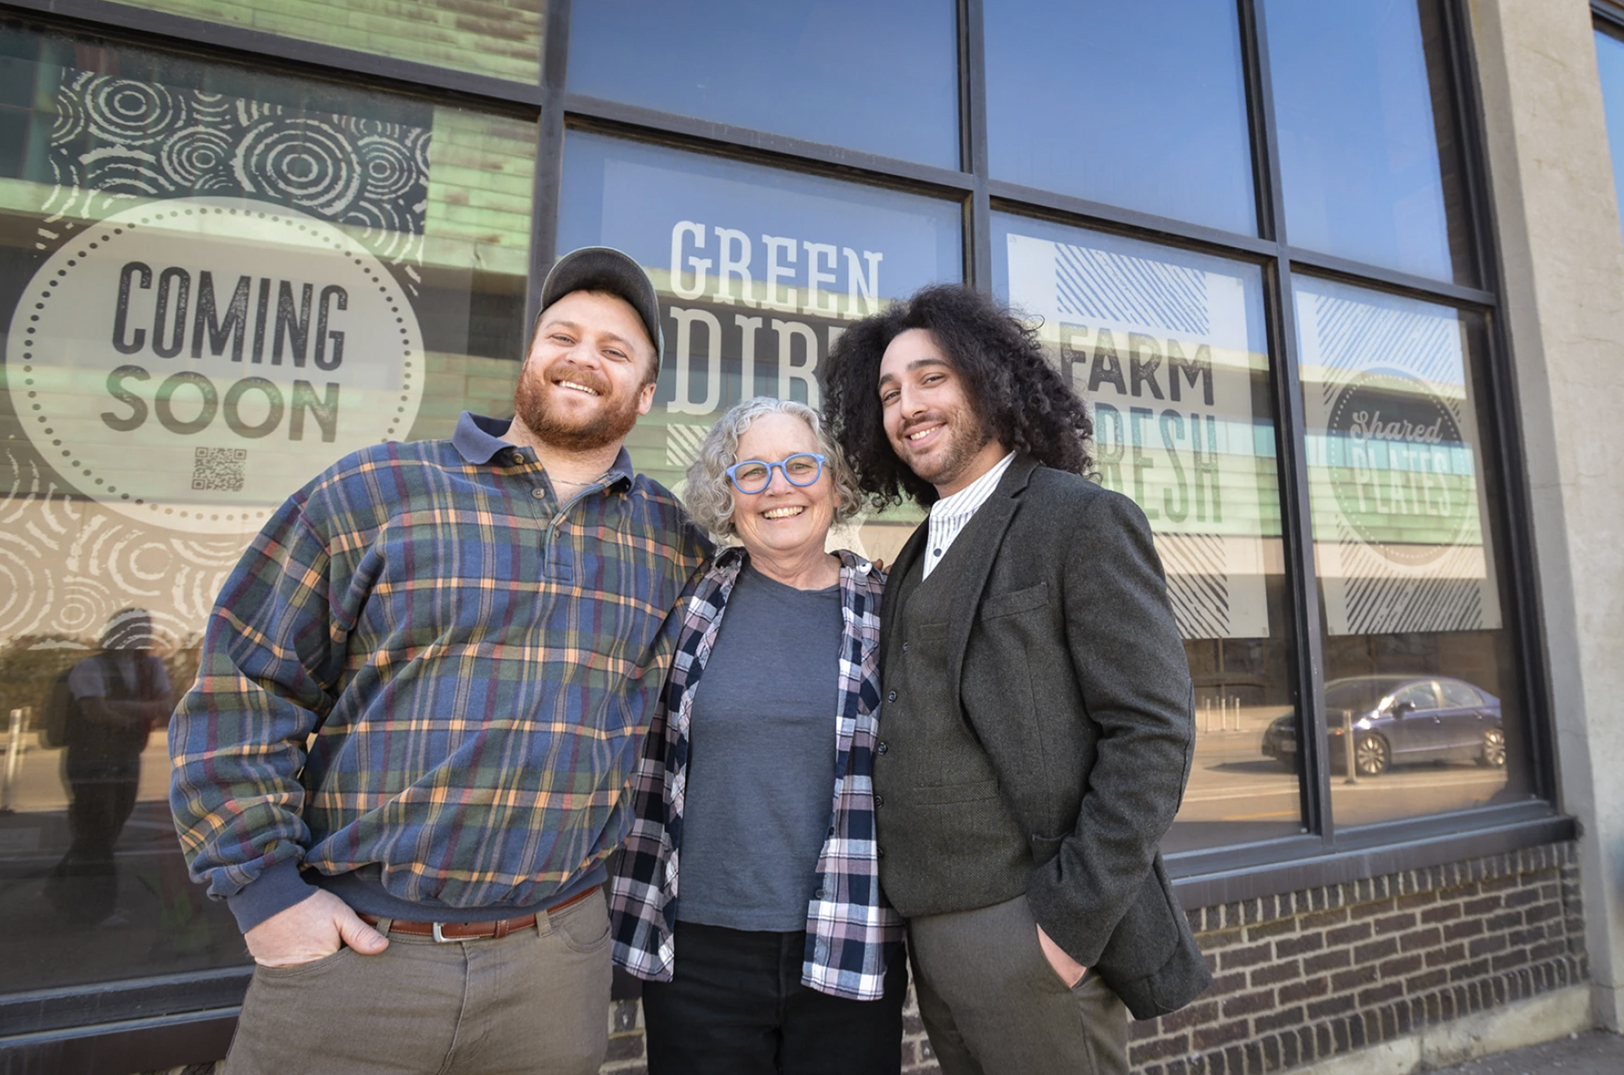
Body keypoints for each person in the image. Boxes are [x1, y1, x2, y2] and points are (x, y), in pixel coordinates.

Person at [169, 248, 709, 1075]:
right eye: (562, 334)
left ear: (644, 393)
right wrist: (266, 894)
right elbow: (243, 686)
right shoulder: (374, 490)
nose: (581, 358)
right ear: (528, 358)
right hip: (359, 956)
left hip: (554, 966)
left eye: (614, 349)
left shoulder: (671, 541)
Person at [821, 285, 1210, 1075]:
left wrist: (1066, 928)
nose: (907, 406)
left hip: (1031, 933)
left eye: (932, 378)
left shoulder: (1079, 519)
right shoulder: (915, 554)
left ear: (989, 380)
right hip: (929, 937)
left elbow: (1154, 732)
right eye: (889, 392)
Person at [610, 396, 906, 1075]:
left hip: (848, 935)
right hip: (697, 951)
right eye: (753, 472)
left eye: (801, 464)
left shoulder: (889, 612)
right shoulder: (685, 604)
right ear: (729, 494)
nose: (780, 487)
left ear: (833, 483)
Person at [45, 608, 171, 925]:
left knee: (104, 830)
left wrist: (119, 709)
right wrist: (141, 712)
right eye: (132, 627)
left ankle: (57, 890)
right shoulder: (90, 667)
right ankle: (94, 909)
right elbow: (94, 712)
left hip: (126, 757)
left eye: (144, 627)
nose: (141, 633)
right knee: (96, 830)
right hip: (90, 761)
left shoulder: (150, 666)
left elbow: (166, 705)